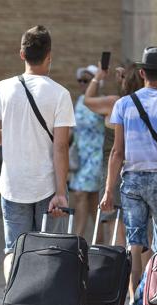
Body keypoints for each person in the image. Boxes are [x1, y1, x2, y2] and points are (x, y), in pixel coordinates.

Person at [0, 25, 75, 283]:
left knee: (13, 251)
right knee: (48, 250)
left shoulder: (3, 88)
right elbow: (60, 146)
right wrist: (60, 192)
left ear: (21, 54)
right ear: (49, 55)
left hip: (13, 185)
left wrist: (13, 138)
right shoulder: (60, 94)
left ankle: (13, 300)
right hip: (48, 187)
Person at [100, 47, 157, 305]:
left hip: (131, 180)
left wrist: (109, 190)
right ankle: (142, 302)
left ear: (143, 72)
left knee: (134, 245)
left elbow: (117, 152)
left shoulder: (123, 105)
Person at [84, 63, 142, 245]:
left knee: (115, 224)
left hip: (113, 170)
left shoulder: (114, 103)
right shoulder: (145, 104)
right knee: (141, 229)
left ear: (124, 79)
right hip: (138, 168)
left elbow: (88, 99)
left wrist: (98, 77)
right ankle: (145, 274)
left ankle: (119, 272)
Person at [69, 65, 104, 238]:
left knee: (80, 194)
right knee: (91, 199)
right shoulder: (79, 102)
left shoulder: (102, 101)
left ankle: (78, 236)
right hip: (81, 157)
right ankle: (98, 237)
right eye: (80, 80)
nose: (83, 84)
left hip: (96, 157)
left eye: (87, 80)